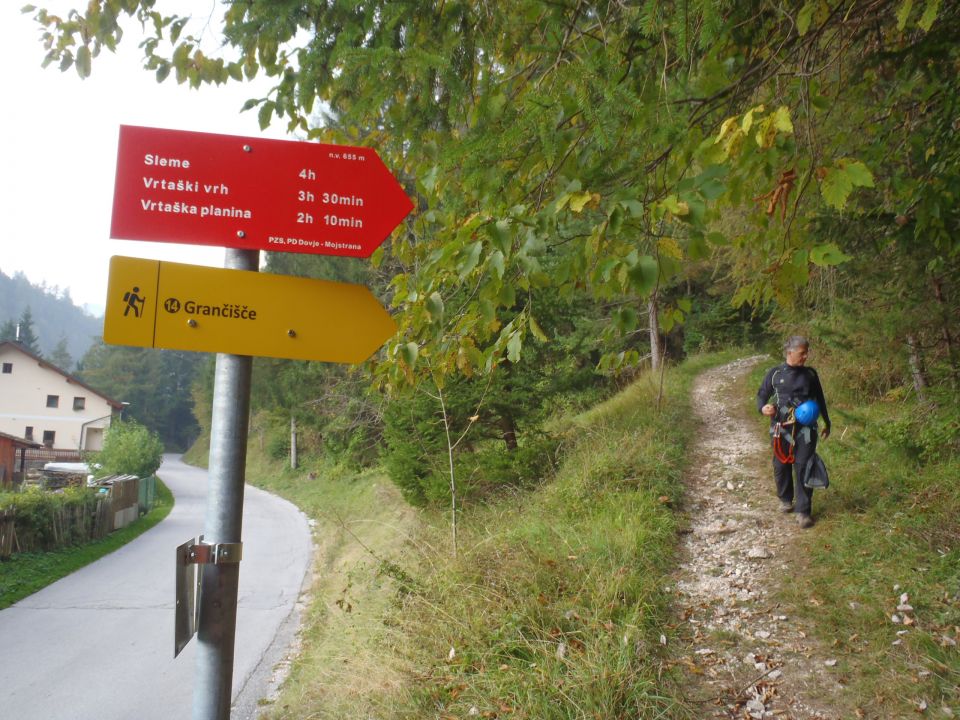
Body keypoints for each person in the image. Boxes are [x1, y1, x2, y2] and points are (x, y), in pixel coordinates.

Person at [756, 336, 831, 528]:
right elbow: (762, 394)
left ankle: (803, 511)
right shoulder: (775, 373)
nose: (806, 356)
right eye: (802, 353)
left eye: (807, 352)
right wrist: (763, 407)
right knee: (781, 464)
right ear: (790, 352)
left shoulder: (811, 375)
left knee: (804, 465)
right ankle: (785, 499)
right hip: (781, 427)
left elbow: (820, 399)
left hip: (806, 428)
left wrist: (826, 422)